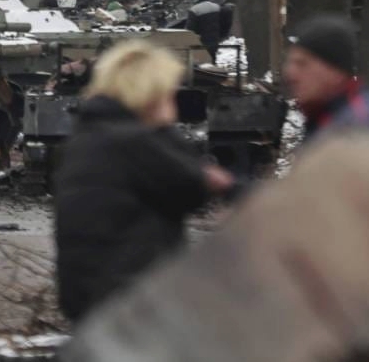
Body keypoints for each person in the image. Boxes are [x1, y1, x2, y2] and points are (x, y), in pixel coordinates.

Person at [53, 41, 234, 321]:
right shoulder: (133, 142)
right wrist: (163, 129)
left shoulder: (90, 136)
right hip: (130, 300)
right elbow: (192, 188)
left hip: (93, 297)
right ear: (149, 92)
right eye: (168, 91)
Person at [283, 13, 369, 143]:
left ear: (334, 70)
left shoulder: (357, 126)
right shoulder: (327, 116)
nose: (291, 73)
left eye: (302, 64)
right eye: (290, 63)